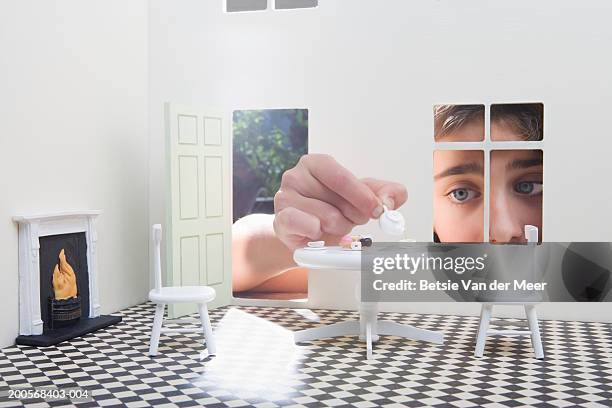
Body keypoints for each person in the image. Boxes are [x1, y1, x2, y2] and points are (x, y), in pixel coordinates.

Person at [233, 103, 543, 294]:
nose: (502, 230)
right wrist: (299, 235)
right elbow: (233, 260)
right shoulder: (417, 277)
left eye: (528, 187)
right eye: (462, 193)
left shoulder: (580, 278)